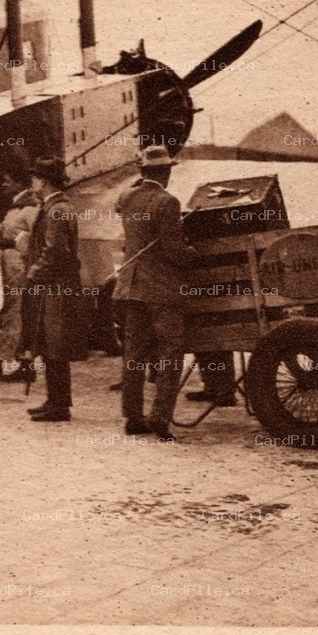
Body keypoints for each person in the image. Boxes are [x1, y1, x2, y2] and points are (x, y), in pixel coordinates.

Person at [113, 145, 195, 441]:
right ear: (165, 172)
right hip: (160, 289)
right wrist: (192, 254)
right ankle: (160, 417)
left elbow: (121, 206)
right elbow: (173, 250)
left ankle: (133, 417)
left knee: (134, 354)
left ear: (143, 171)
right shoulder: (168, 202)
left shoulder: (127, 197)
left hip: (131, 287)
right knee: (170, 352)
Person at [23, 157, 88, 423]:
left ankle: (60, 405)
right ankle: (55, 400)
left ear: (44, 181)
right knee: (50, 344)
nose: (33, 182)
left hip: (57, 288)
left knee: (55, 345)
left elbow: (55, 251)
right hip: (55, 286)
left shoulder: (57, 209)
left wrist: (33, 273)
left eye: (35, 178)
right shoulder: (55, 206)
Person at [0, 164, 40, 380]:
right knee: (12, 309)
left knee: (16, 311)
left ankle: (17, 362)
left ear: (18, 183)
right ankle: (6, 360)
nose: (3, 185)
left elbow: (37, 240)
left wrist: (11, 241)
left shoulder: (30, 208)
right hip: (11, 266)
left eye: (7, 181)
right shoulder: (16, 208)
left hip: (20, 267)